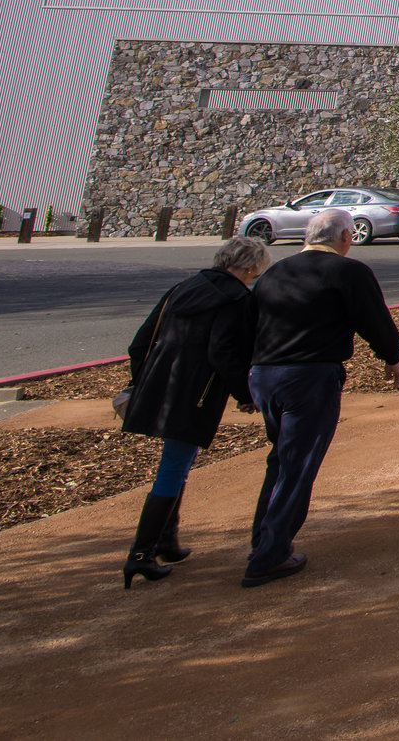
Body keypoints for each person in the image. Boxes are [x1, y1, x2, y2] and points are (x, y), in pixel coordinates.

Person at [243, 207, 399, 588]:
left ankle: (262, 540)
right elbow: (374, 321)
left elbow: (250, 327)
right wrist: (392, 357)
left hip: (265, 376)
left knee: (280, 458)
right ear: (346, 237)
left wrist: (245, 382)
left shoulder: (273, 273)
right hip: (310, 377)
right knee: (297, 464)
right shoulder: (349, 272)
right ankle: (270, 555)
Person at [117, 234, 267, 588]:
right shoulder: (236, 299)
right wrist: (244, 394)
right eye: (256, 271)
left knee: (176, 463)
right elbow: (223, 354)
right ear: (249, 267)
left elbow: (140, 343)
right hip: (196, 392)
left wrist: (145, 381)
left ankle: (167, 540)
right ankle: (141, 553)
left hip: (159, 383)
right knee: (173, 467)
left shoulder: (182, 287)